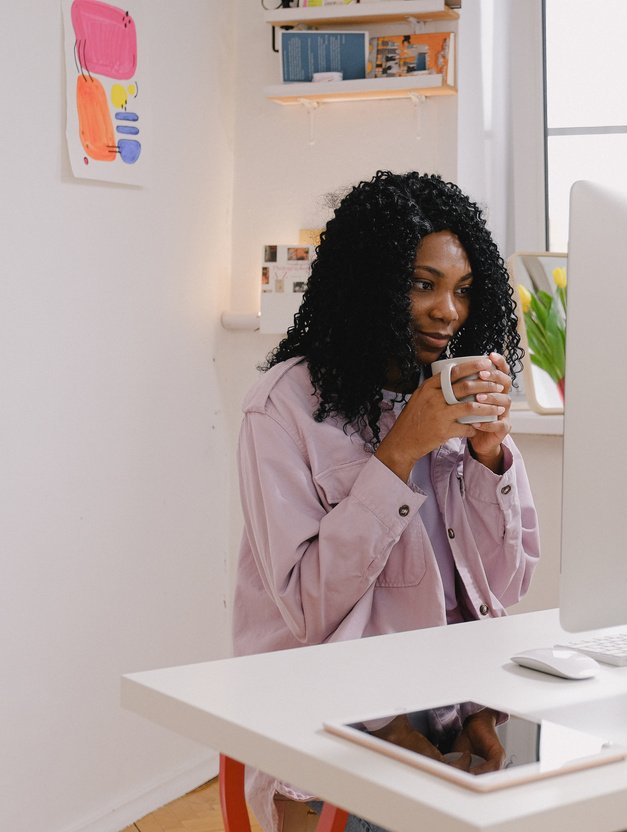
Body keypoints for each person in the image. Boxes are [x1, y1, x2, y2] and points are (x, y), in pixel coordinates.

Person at [232, 170, 541, 832]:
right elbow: (310, 608)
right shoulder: (283, 409)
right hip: (329, 711)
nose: (447, 311)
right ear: (369, 283)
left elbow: (509, 584)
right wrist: (398, 454)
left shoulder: (457, 392)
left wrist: (490, 460)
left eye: (462, 290)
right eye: (422, 283)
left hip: (453, 703)